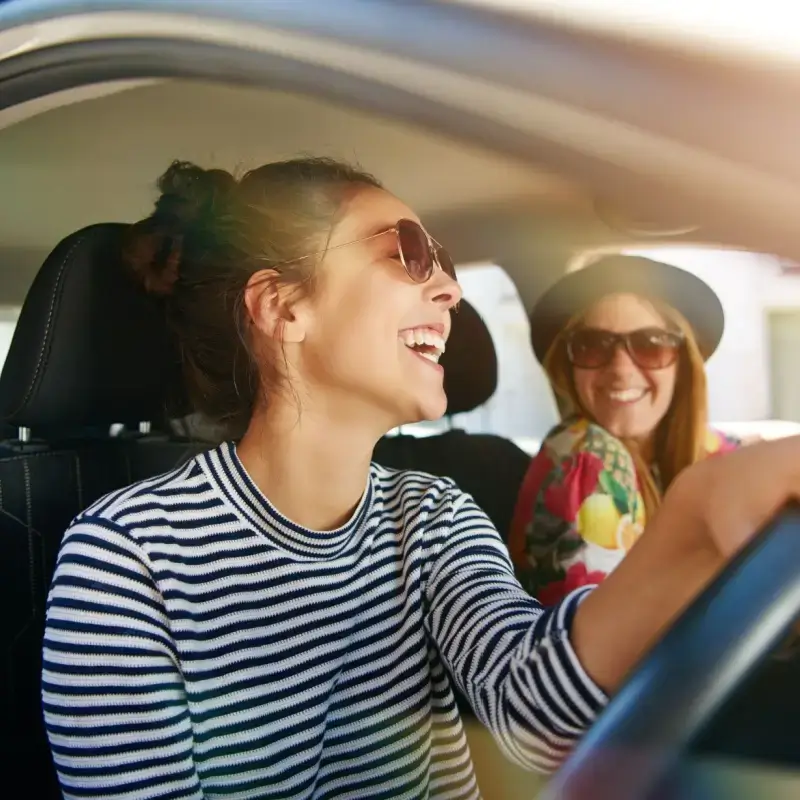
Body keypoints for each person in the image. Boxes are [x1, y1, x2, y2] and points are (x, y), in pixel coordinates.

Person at [41, 158, 800, 800]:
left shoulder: (432, 515)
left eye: (444, 263)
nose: (451, 290)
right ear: (281, 307)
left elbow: (534, 714)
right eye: (408, 253)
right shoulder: (125, 559)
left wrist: (701, 517)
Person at [508, 256, 740, 603]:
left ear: (683, 365)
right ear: (568, 366)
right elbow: (604, 648)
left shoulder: (721, 455)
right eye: (593, 345)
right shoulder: (586, 458)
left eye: (651, 344)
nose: (620, 369)